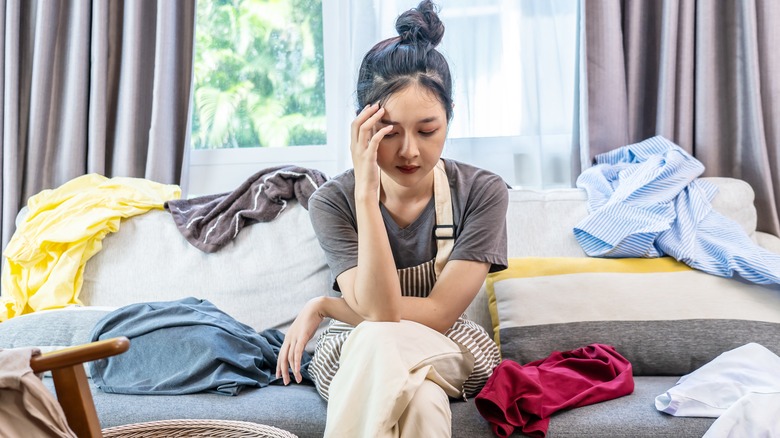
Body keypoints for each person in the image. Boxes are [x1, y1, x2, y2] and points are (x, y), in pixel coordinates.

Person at [276, 1, 508, 436]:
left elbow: (435, 314)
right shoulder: (333, 201)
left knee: (380, 337)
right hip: (353, 344)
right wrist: (366, 194)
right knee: (420, 401)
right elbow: (380, 315)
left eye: (426, 130)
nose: (409, 152)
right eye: (390, 132)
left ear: (449, 116)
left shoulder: (480, 191)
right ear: (364, 124)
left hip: (447, 344)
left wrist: (327, 305)